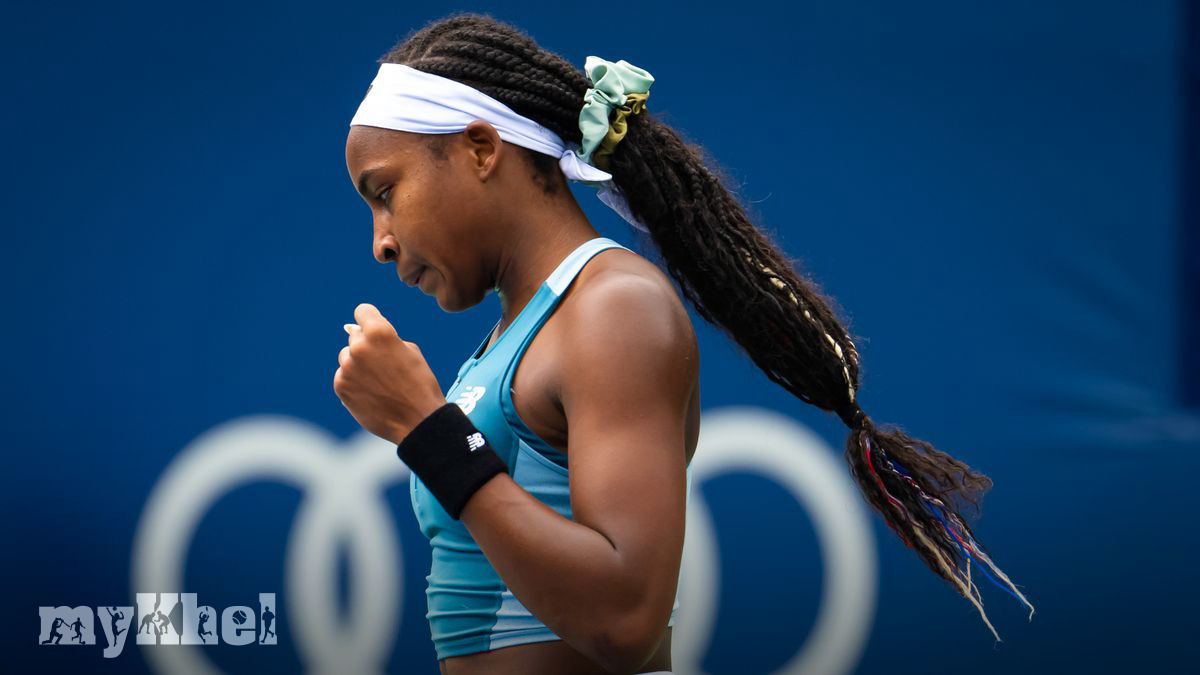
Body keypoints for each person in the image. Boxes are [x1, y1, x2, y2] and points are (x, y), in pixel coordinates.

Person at [334, 12, 1034, 675]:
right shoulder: (512, 335)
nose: (379, 243)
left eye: (384, 192)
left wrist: (429, 429)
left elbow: (625, 619)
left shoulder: (613, 308)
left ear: (482, 150)